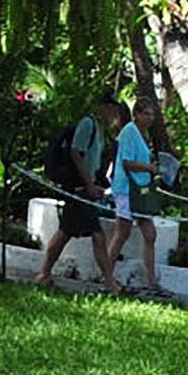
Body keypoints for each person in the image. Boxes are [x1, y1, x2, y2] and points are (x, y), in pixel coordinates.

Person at [35, 96, 115, 287]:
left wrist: (96, 184)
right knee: (94, 235)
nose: (113, 114)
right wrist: (87, 183)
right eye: (111, 109)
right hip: (79, 189)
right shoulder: (88, 124)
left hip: (86, 190)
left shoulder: (100, 130)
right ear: (102, 108)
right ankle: (111, 284)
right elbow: (75, 152)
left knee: (67, 233)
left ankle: (44, 273)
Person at [102, 100, 160, 294]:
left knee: (150, 234)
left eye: (152, 115)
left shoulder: (144, 135)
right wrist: (148, 168)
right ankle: (107, 276)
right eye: (146, 114)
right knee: (122, 233)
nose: (150, 119)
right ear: (137, 114)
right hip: (126, 189)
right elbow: (126, 162)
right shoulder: (129, 131)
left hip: (140, 189)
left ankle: (151, 281)